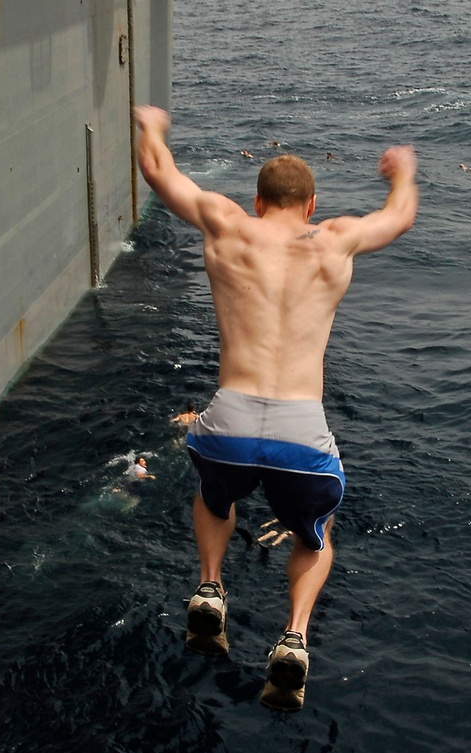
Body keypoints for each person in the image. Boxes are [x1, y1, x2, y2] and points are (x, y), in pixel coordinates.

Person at [134, 104, 418, 710]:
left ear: (258, 202)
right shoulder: (335, 239)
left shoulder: (227, 224)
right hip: (300, 428)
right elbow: (399, 219)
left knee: (216, 497)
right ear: (311, 205)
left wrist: (153, 125)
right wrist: (401, 173)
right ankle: (294, 635)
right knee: (315, 537)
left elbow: (157, 171)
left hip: (228, 419)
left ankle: (210, 586)